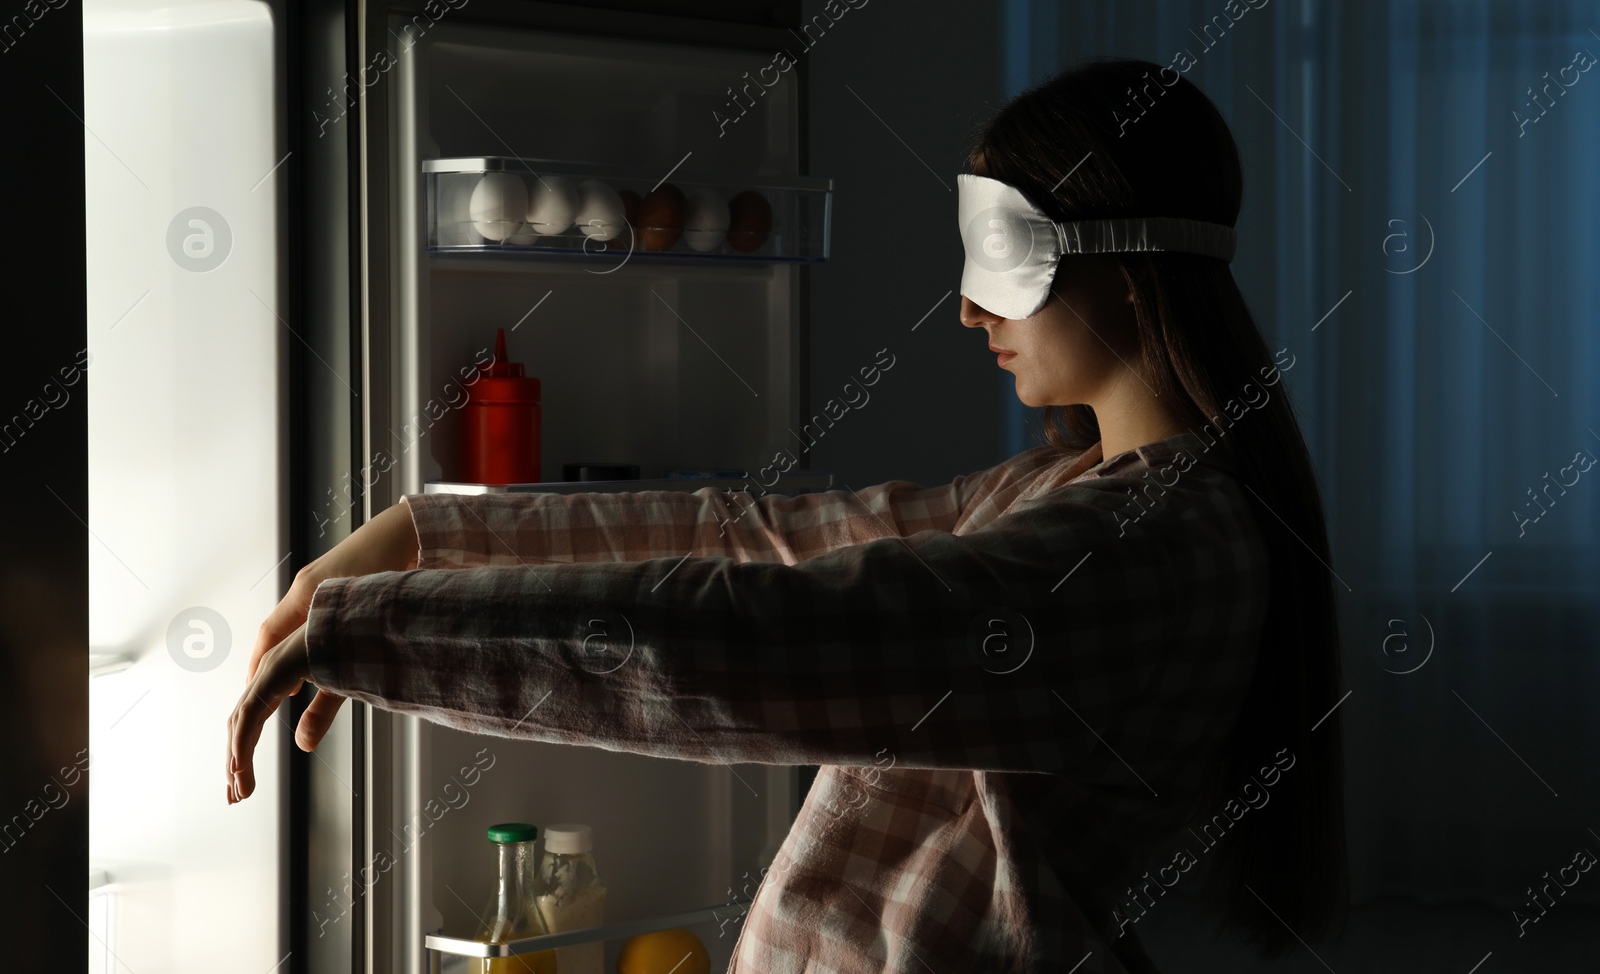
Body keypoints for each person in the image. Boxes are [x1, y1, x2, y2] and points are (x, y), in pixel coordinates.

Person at [227, 56, 1349, 972]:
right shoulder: (1052, 492)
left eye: (999, 261)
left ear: (1130, 268)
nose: (964, 308)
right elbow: (753, 536)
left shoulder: (1149, 552)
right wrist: (428, 534)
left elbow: (750, 635)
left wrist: (381, 629)